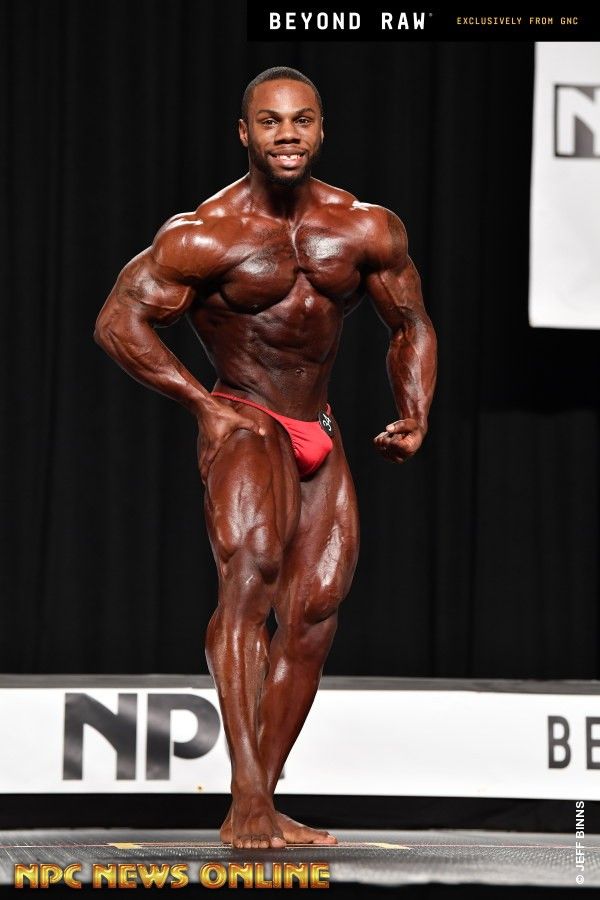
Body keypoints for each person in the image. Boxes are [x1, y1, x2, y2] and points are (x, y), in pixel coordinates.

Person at [94, 66, 437, 849]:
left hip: (319, 423)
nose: (288, 135)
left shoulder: (366, 227)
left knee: (314, 616)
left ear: (321, 131)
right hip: (246, 418)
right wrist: (202, 405)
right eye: (272, 121)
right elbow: (118, 322)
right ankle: (246, 794)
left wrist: (416, 411)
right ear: (245, 133)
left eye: (302, 120)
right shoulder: (203, 233)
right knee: (249, 581)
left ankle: (266, 795)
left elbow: (411, 324)